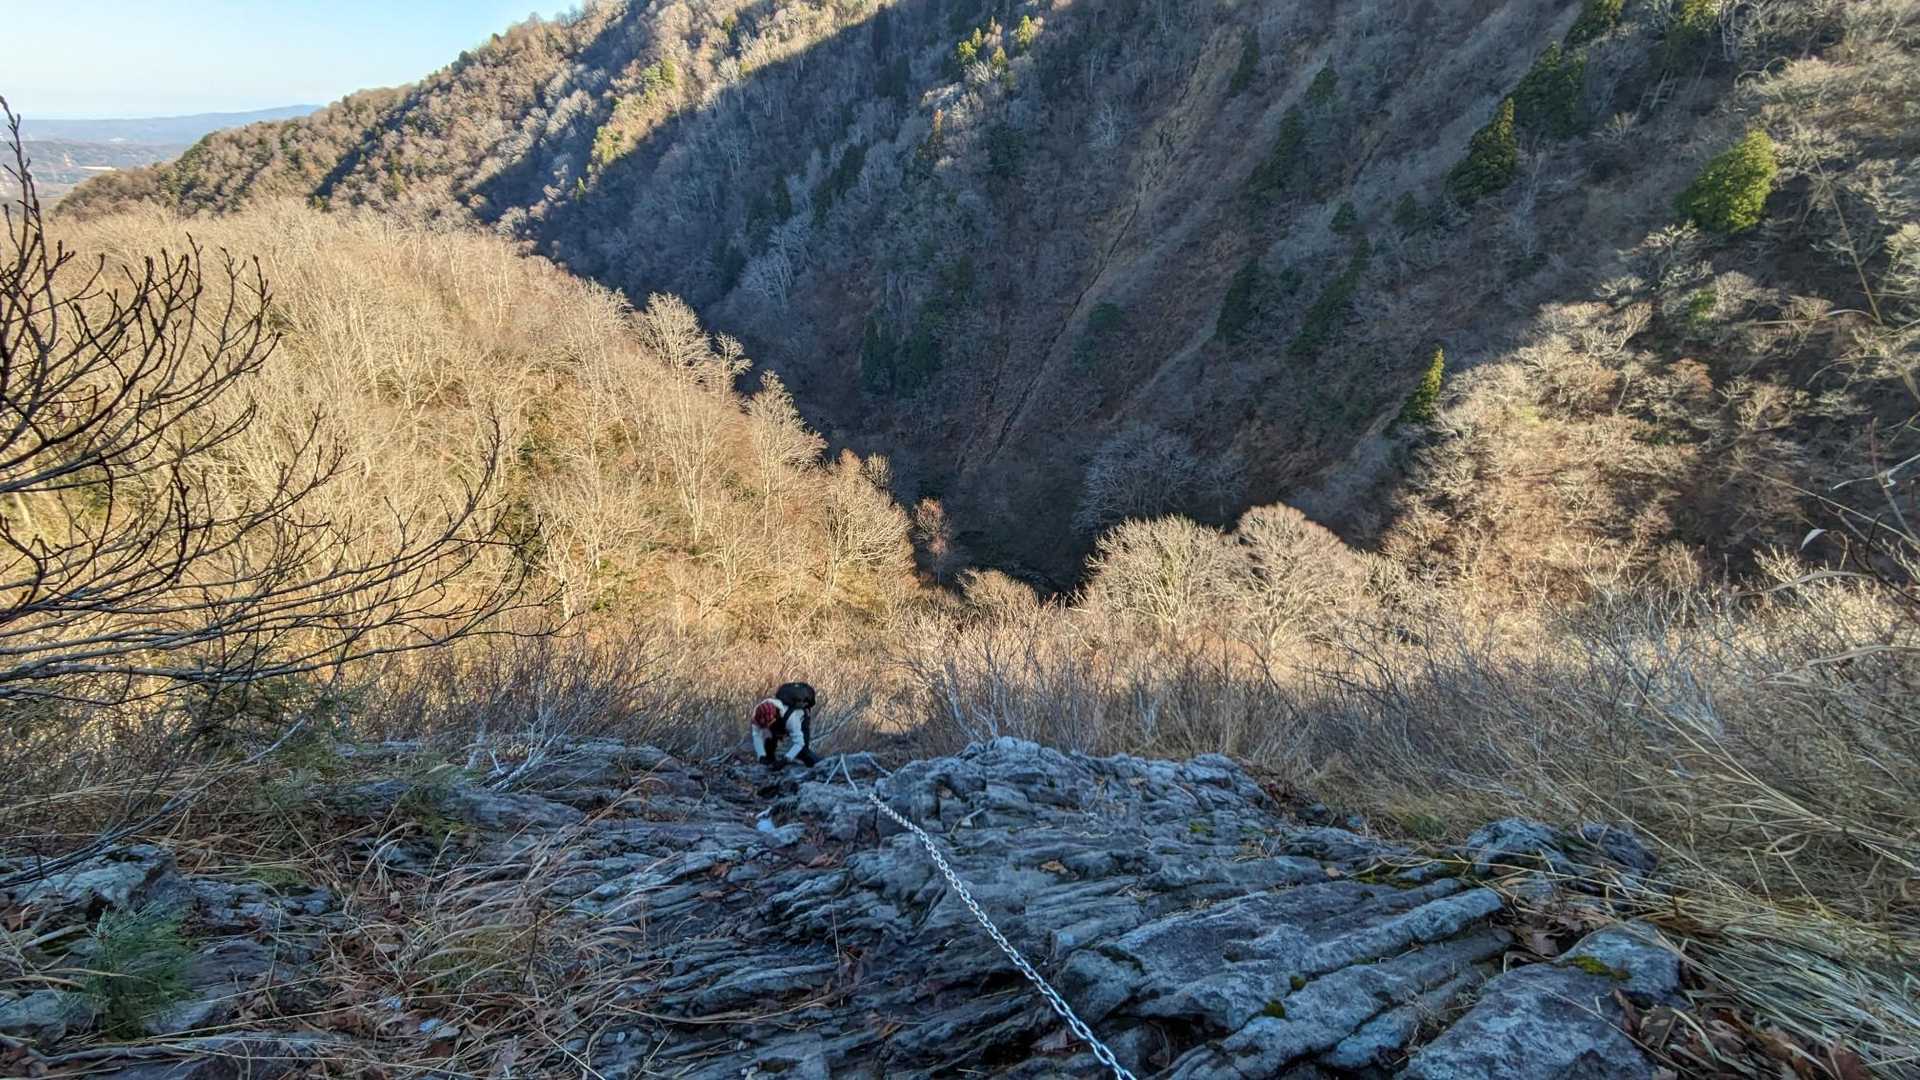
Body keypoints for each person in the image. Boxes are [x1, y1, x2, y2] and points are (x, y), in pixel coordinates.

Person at [751, 681, 819, 767]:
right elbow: (756, 735)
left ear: (774, 718)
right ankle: (770, 764)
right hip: (778, 721)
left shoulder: (791, 718)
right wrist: (761, 756)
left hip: (801, 719)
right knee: (769, 742)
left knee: (803, 751)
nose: (765, 728)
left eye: (768, 725)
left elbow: (799, 743)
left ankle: (817, 766)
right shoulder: (758, 712)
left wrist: (785, 760)